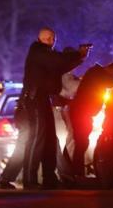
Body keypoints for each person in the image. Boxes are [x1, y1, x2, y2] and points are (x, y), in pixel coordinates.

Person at [20, 27, 89, 189]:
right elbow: (58, 61)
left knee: (50, 139)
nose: (51, 41)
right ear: (40, 38)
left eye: (53, 38)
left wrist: (80, 57)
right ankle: (29, 179)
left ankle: (49, 177)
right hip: (35, 99)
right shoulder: (39, 52)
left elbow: (60, 65)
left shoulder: (44, 54)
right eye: (48, 38)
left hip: (42, 99)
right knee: (36, 138)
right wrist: (78, 54)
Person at [68, 61, 113, 178]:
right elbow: (111, 83)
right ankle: (75, 172)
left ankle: (75, 171)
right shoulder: (97, 74)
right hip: (81, 112)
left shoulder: (97, 73)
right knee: (81, 143)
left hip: (83, 113)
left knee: (81, 142)